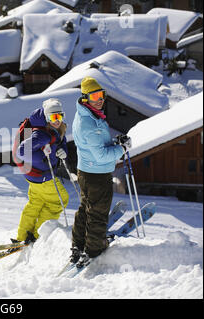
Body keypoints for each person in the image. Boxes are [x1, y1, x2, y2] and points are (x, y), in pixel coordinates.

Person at [70, 77, 131, 267]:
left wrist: (115, 143)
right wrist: (122, 149)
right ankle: (94, 249)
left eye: (102, 95)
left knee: (86, 209)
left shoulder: (88, 114)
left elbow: (97, 147)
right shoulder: (88, 123)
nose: (100, 99)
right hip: (96, 175)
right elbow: (102, 156)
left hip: (88, 171)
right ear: (85, 97)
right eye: (95, 96)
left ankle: (78, 246)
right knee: (97, 212)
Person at [13, 98, 69, 244]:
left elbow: (60, 144)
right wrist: (43, 158)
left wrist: (62, 151)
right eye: (53, 117)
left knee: (35, 203)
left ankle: (22, 236)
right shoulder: (42, 134)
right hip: (44, 176)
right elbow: (22, 152)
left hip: (33, 175)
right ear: (46, 117)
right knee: (59, 201)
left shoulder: (56, 129)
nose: (57, 120)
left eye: (59, 116)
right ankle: (38, 236)